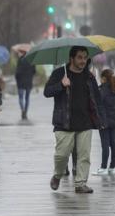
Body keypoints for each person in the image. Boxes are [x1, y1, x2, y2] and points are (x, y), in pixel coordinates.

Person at [44, 46, 105, 194]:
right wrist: (61, 85)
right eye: (79, 57)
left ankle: (80, 183)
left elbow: (97, 99)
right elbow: (47, 92)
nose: (83, 61)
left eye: (85, 57)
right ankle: (57, 175)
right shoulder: (60, 73)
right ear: (72, 58)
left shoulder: (89, 76)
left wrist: (100, 119)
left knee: (84, 155)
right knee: (62, 155)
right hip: (64, 123)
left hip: (85, 122)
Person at [93, 69, 115, 175]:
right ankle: (112, 167)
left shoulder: (102, 90)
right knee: (113, 143)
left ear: (103, 78)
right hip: (112, 119)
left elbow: (96, 102)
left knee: (105, 144)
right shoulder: (113, 89)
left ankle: (103, 168)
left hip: (103, 120)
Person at [15, 50, 36, 120]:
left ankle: (23, 109)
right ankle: (25, 112)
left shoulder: (20, 60)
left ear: (23, 53)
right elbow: (34, 71)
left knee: (21, 97)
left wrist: (17, 79)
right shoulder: (31, 60)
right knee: (27, 98)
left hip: (20, 82)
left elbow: (17, 72)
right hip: (28, 82)